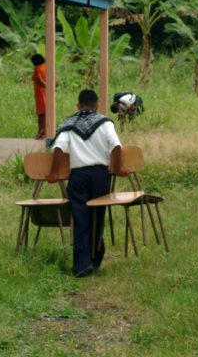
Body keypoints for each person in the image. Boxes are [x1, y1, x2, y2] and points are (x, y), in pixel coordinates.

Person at [47, 89, 128, 277]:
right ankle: (96, 257)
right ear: (97, 105)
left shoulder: (69, 123)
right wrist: (117, 168)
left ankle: (81, 265)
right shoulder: (104, 122)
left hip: (78, 177)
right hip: (100, 175)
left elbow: (58, 148)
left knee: (80, 217)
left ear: (78, 106)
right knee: (97, 215)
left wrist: (53, 173)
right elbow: (116, 146)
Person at [31, 53, 47, 139]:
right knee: (46, 112)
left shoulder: (37, 68)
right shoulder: (46, 66)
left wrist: (46, 86)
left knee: (41, 113)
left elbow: (39, 80)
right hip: (47, 94)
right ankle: (45, 131)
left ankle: (41, 131)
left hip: (40, 93)